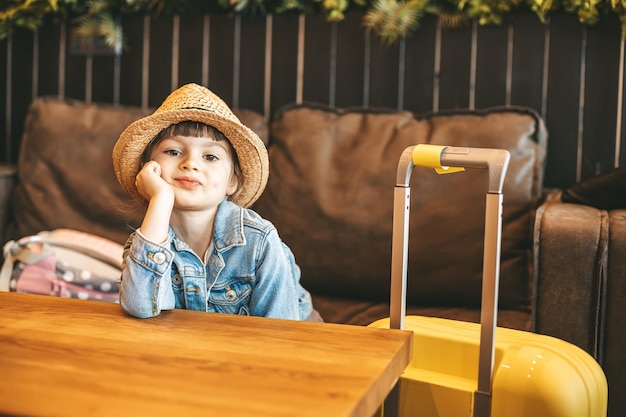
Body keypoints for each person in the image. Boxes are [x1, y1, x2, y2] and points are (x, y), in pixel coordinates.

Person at [112, 83, 320, 321]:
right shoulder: (147, 243)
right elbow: (140, 307)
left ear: (232, 181)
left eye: (210, 156)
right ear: (149, 170)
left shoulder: (260, 243)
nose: (191, 163)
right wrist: (161, 199)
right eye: (173, 152)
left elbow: (280, 334)